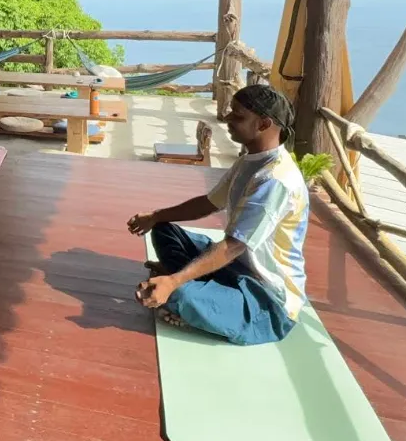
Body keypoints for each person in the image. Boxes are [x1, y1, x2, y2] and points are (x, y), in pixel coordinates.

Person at [127, 85, 308, 345]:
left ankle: (184, 294)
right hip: (235, 267)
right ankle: (190, 286)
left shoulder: (275, 180)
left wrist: (174, 281)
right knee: (164, 229)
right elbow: (209, 203)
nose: (227, 118)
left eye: (238, 115)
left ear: (264, 123)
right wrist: (155, 216)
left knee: (182, 296)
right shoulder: (250, 160)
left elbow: (233, 246)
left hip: (266, 299)